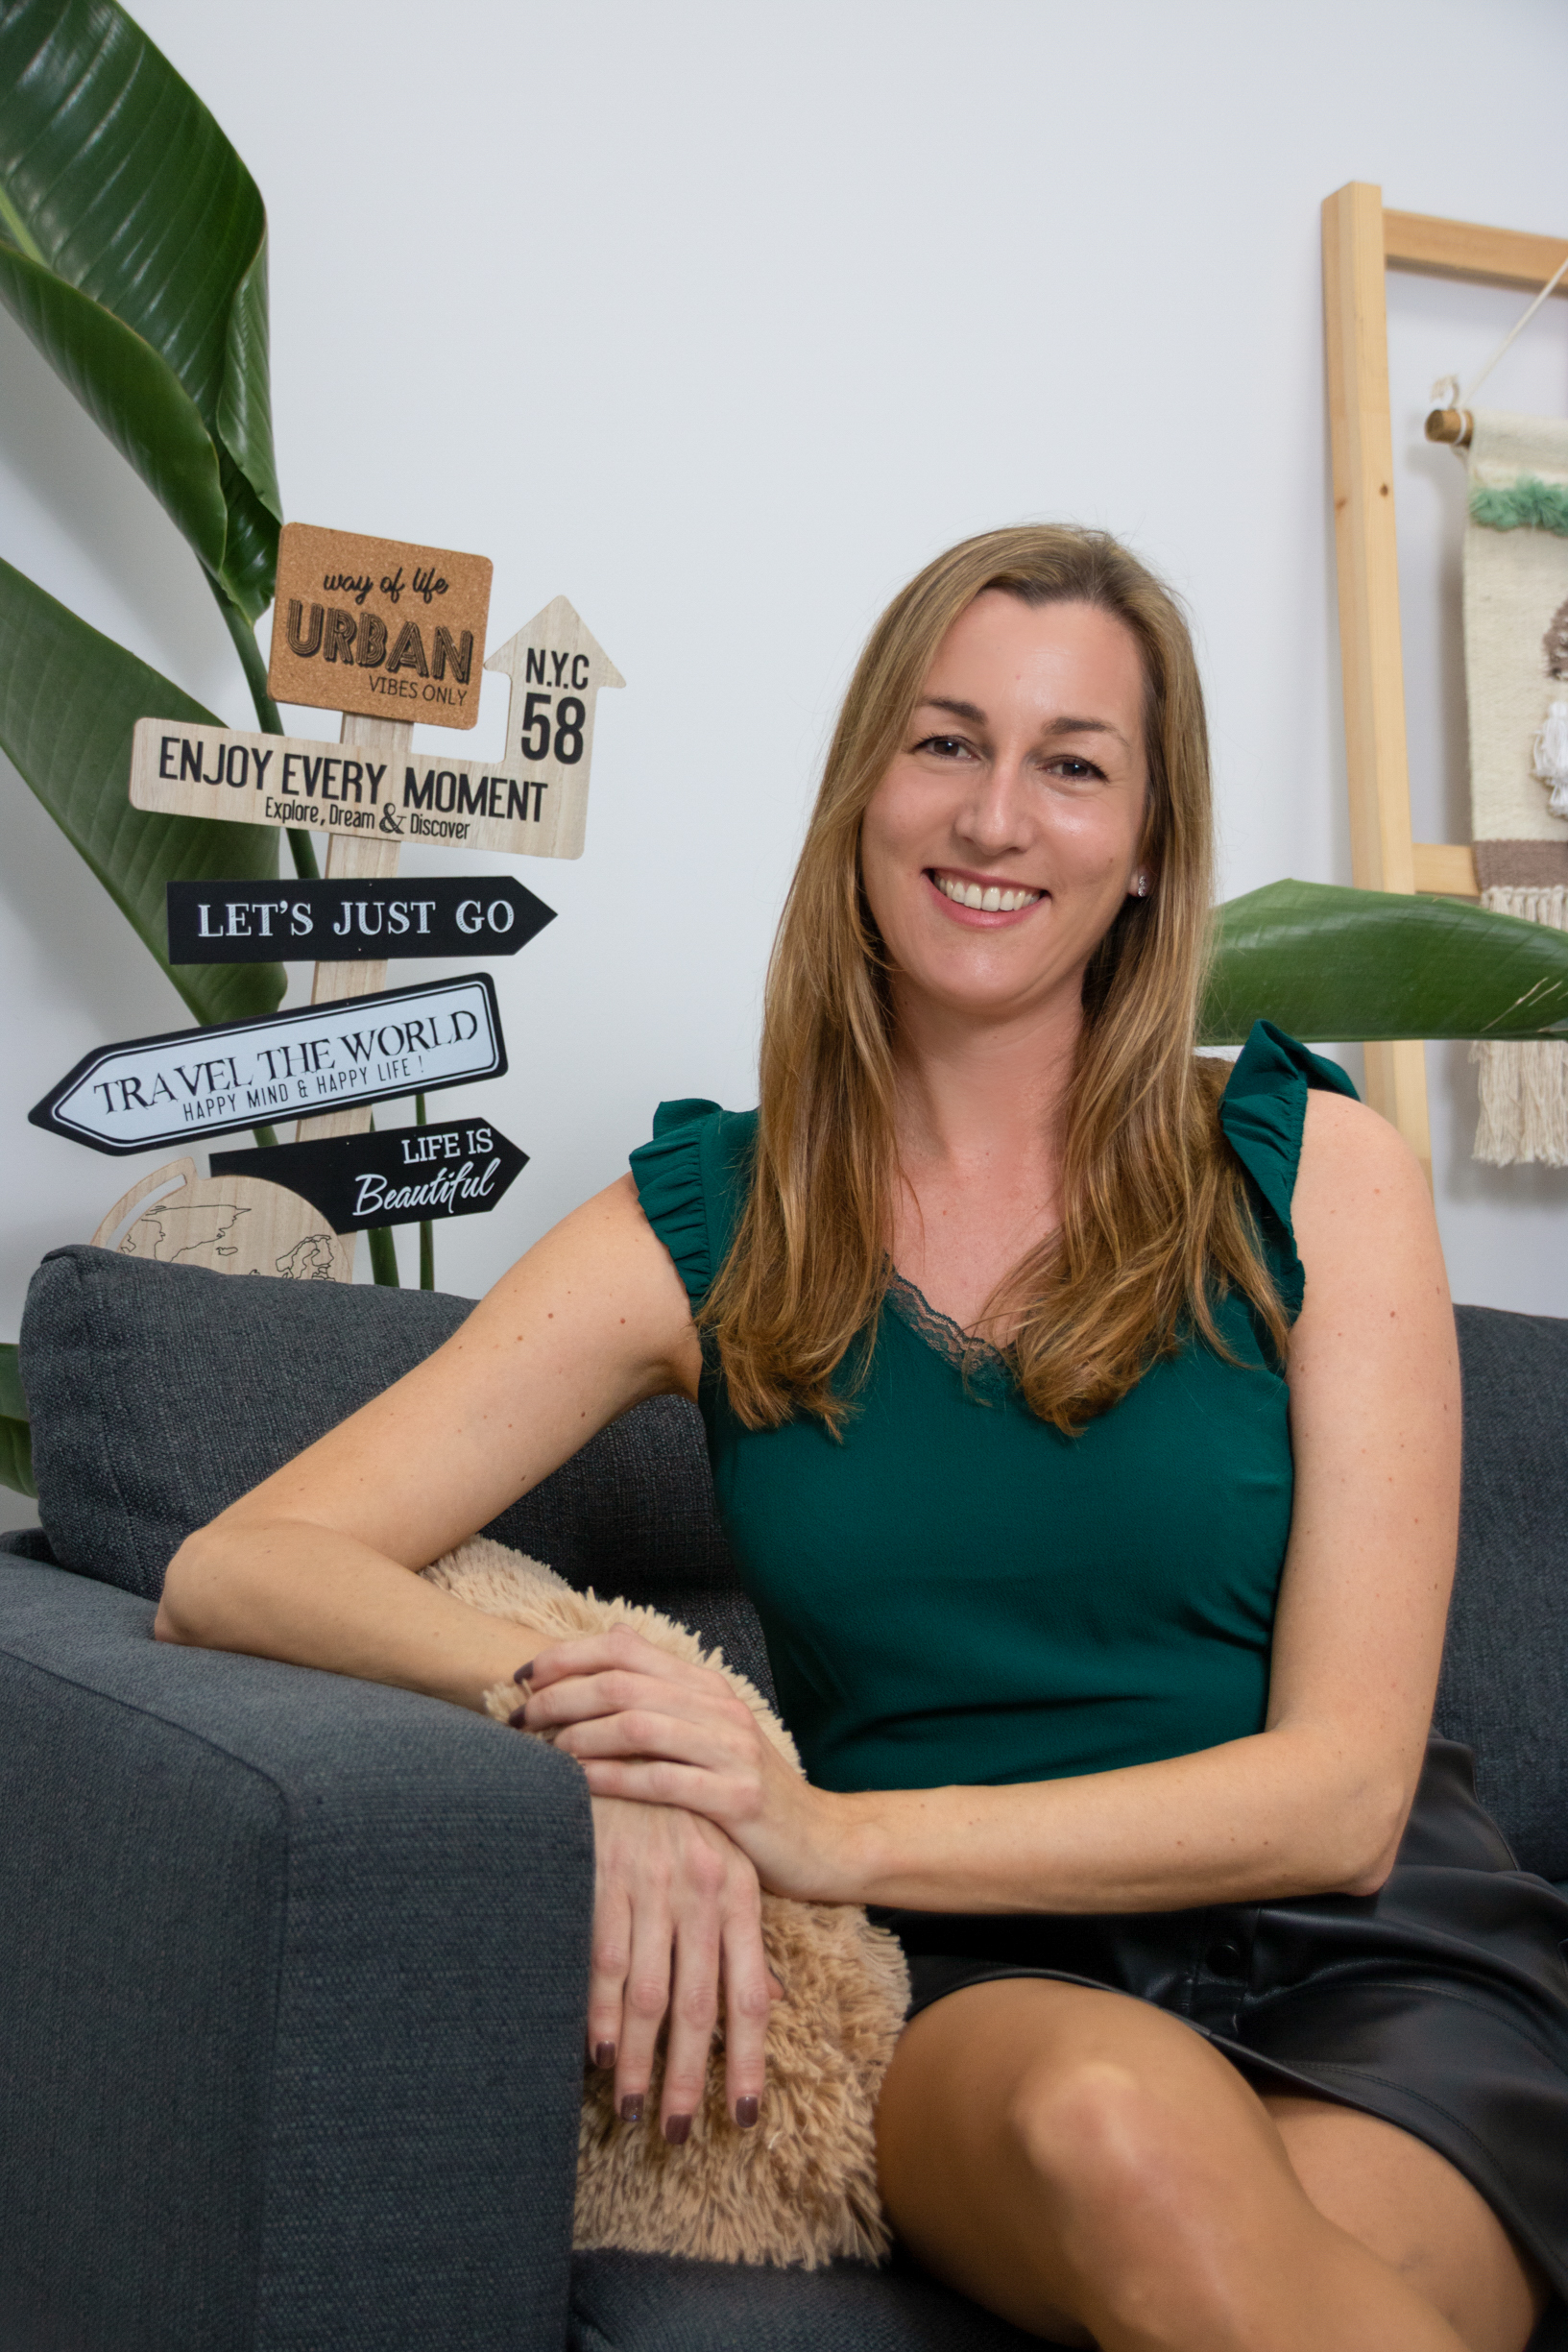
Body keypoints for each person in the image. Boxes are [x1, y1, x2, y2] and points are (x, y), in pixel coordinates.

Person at [157, 527, 1568, 2352]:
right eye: (945, 742)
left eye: (1073, 765)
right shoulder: (704, 1224)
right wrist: (589, 1725)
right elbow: (236, 1566)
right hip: (984, 1987)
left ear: (1148, 842)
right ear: (861, 794)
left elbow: (1342, 1795)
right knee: (1111, 2132)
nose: (994, 816)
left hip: (1369, 1962)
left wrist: (819, 1831)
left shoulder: (1315, 1173)